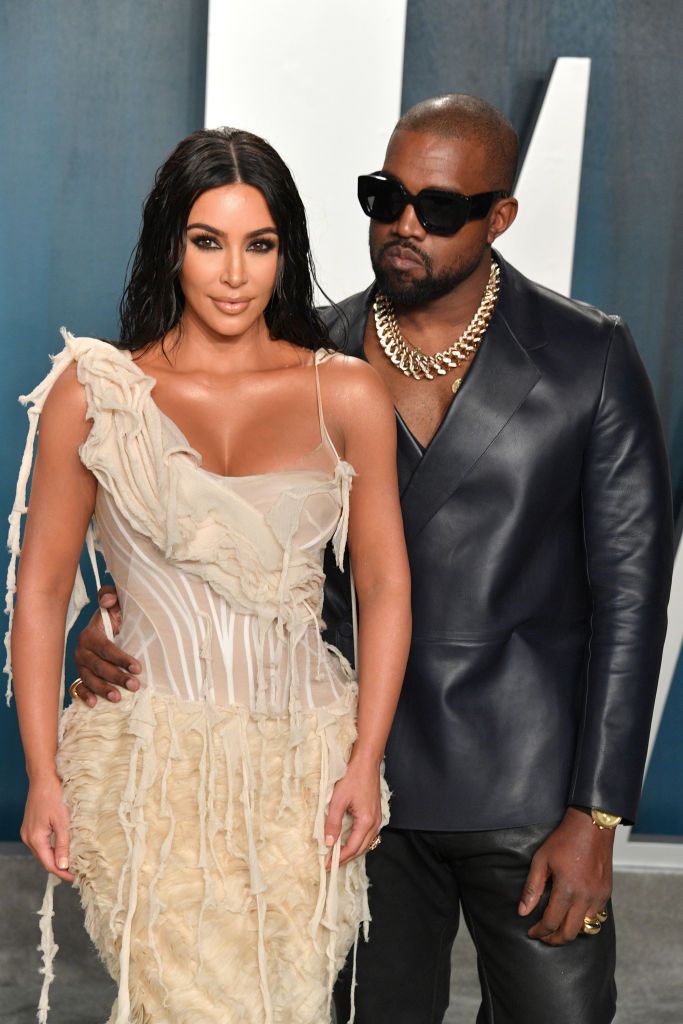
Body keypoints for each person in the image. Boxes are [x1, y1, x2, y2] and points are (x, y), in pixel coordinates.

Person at [71, 95, 673, 1024]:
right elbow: (218, 538)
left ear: (498, 218)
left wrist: (595, 817)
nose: (402, 224)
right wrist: (103, 620)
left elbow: (633, 597)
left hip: (529, 787)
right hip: (346, 784)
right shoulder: (310, 352)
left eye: (436, 209)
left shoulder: (588, 356)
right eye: (383, 195)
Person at [7, 127, 411, 1024]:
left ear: (286, 253)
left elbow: (383, 588)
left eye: (259, 245)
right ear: (170, 246)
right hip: (144, 770)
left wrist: (363, 759)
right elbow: (40, 595)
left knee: (290, 1006)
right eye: (208, 241)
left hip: (303, 771)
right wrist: (42, 772)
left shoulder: (344, 393)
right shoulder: (97, 391)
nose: (234, 273)